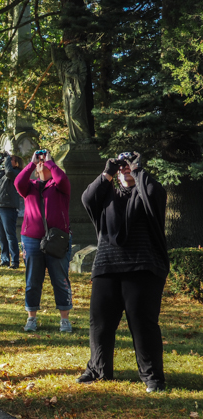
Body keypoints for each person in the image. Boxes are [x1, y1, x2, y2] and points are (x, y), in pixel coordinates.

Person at [79, 152, 169, 392]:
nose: (125, 171)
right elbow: (87, 199)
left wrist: (138, 170)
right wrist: (107, 172)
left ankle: (153, 377)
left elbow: (154, 194)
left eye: (129, 168)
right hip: (107, 265)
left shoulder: (147, 191)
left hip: (143, 266)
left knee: (142, 323)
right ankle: (98, 370)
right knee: (100, 323)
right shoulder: (107, 195)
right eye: (122, 169)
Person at [14, 150, 73, 333]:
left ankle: (64, 320)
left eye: (44, 162)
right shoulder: (29, 187)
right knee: (33, 280)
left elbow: (62, 179)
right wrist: (31, 163)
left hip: (57, 239)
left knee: (60, 279)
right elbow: (18, 182)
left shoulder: (59, 186)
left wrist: (50, 162)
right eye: (40, 164)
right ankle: (31, 317)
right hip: (32, 239)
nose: (42, 164)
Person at [0, 152, 22, 269]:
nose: (7, 161)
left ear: (16, 163)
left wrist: (7, 158)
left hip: (8, 208)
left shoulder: (16, 173)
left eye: (10, 159)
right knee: (1, 235)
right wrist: (0, 159)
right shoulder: (0, 173)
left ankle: (15, 261)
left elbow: (9, 172)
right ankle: (5, 260)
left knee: (10, 235)